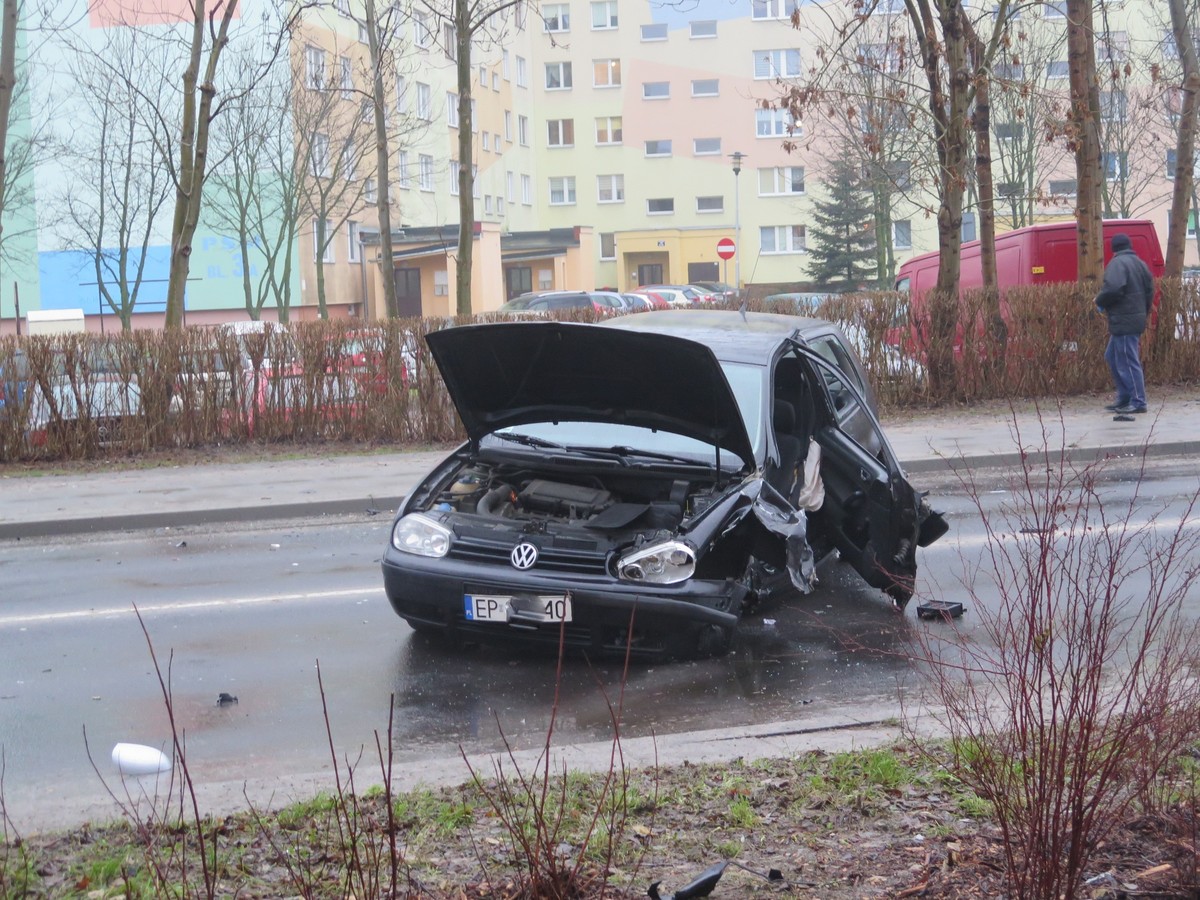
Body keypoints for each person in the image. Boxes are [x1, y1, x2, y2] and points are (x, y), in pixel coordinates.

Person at [1094, 232, 1154, 415]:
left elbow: (1113, 288)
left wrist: (1100, 301)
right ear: (1129, 246)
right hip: (1134, 318)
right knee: (1112, 356)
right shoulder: (1140, 264)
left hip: (1124, 319)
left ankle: (1138, 401)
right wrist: (1143, 311)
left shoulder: (1117, 264)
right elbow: (1150, 290)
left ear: (1114, 248)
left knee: (1128, 360)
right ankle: (1124, 397)